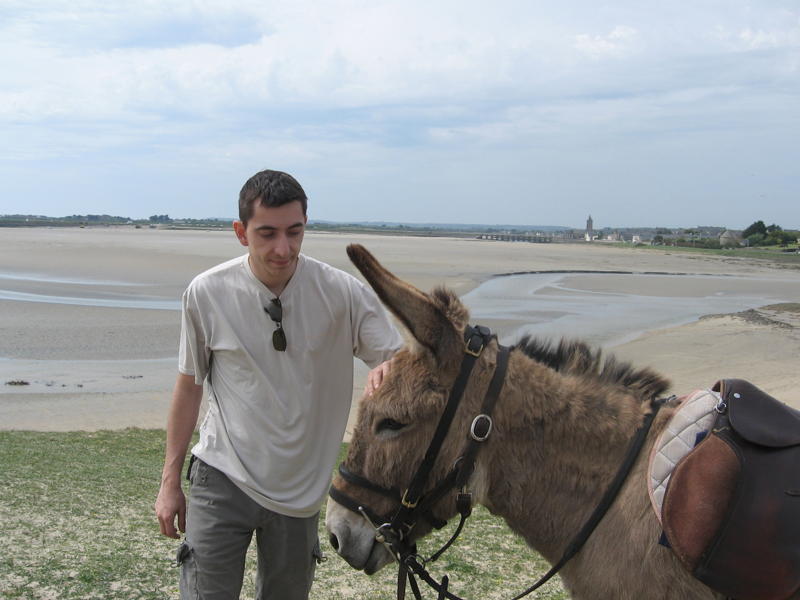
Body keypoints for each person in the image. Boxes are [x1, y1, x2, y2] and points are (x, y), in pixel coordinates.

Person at [154, 169, 402, 599]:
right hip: (222, 476)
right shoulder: (206, 293)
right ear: (240, 232)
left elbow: (395, 358)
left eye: (295, 231)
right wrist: (169, 482)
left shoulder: (341, 292)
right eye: (266, 233)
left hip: (301, 493)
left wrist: (392, 370)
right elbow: (189, 386)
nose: (282, 248)